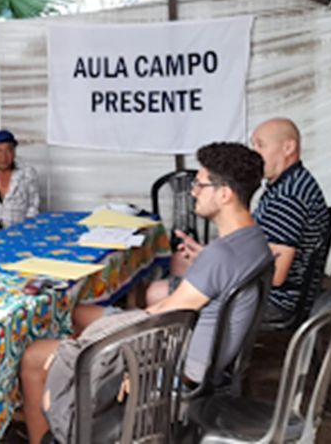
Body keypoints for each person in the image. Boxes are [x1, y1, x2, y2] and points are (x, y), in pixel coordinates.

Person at [20, 142, 272, 444]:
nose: (193, 191)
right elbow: (179, 305)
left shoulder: (219, 256)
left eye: (200, 184)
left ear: (224, 194)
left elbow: (162, 316)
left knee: (35, 356)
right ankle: (56, 404)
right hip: (195, 353)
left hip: (173, 367)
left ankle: (59, 429)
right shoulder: (254, 241)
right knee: (80, 314)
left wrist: (78, 348)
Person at [148, 118, 329, 322]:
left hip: (275, 300)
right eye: (253, 145)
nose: (255, 153)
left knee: (155, 292)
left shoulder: (288, 198)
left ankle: (174, 344)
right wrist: (208, 257)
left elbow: (275, 275)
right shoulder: (290, 184)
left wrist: (217, 266)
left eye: (261, 145)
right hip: (270, 288)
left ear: (289, 147)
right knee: (179, 263)